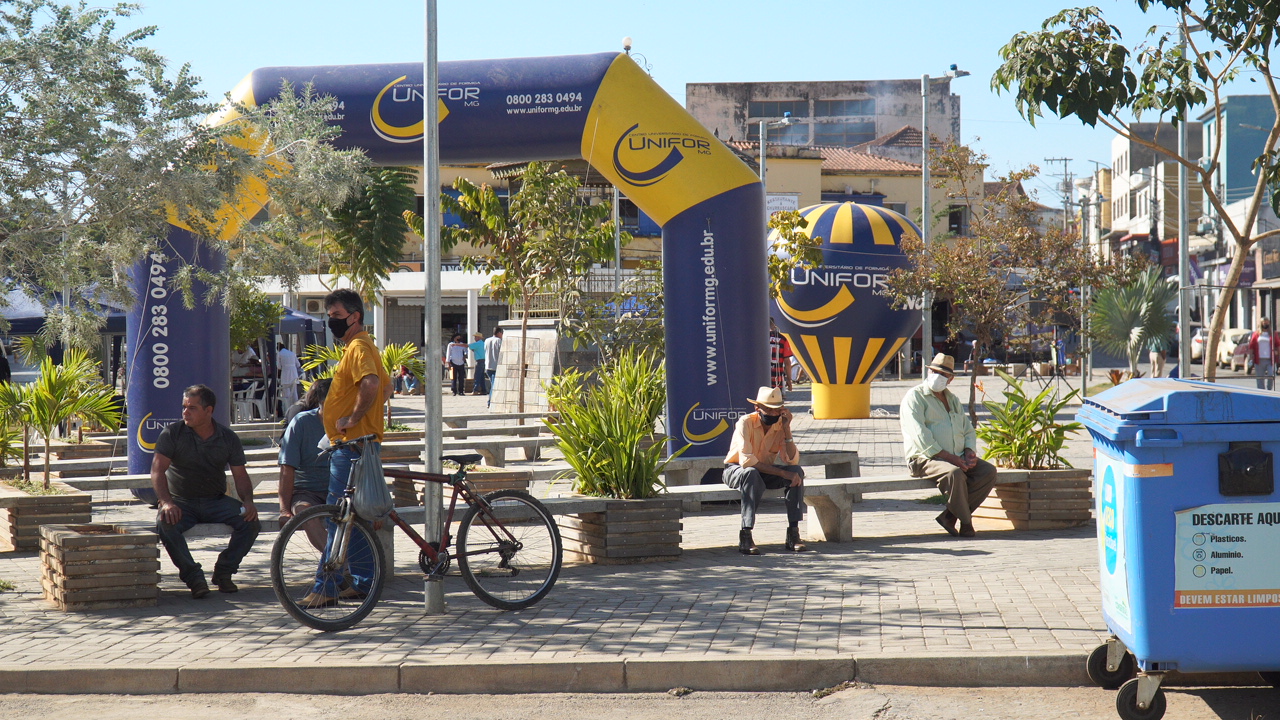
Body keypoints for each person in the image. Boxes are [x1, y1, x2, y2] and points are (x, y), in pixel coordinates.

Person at [310, 288, 392, 607]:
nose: (331, 322)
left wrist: (354, 418)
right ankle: (362, 582)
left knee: (338, 515)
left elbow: (372, 385)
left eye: (336, 316)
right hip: (355, 443)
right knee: (354, 517)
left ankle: (325, 587)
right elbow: (387, 387)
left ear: (354, 317)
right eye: (329, 316)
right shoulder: (362, 346)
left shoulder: (358, 346)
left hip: (352, 446)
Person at [151, 385, 259, 598]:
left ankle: (224, 572)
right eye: (184, 407)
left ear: (208, 411)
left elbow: (240, 475)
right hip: (181, 502)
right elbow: (157, 471)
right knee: (165, 524)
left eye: (192, 408)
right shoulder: (172, 433)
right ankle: (194, 578)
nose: (185, 413)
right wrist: (166, 502)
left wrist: (248, 501)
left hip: (215, 501)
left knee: (251, 522)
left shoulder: (227, 437)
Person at [900, 353, 998, 538]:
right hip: (924, 458)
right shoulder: (915, 397)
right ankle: (966, 523)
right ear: (929, 372)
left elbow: (967, 429)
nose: (938, 376)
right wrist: (950, 458)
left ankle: (950, 516)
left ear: (950, 379)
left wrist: (969, 452)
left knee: (988, 472)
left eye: (943, 374)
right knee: (955, 474)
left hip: (956, 457)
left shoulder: (951, 399)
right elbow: (920, 435)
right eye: (934, 372)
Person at [723, 386, 806, 555]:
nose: (772, 414)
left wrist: (787, 429)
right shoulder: (745, 422)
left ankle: (793, 533)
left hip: (764, 472)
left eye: (776, 410)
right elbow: (747, 461)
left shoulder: (780, 426)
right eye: (767, 409)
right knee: (751, 473)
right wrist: (783, 473)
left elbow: (791, 460)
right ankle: (746, 534)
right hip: (736, 470)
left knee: (796, 471)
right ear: (757, 408)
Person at [278, 378, 331, 551]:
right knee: (304, 511)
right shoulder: (301, 422)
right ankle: (336, 562)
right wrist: (284, 509)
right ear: (323, 402)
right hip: (307, 491)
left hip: (340, 489)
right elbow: (287, 467)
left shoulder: (350, 423)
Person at [1250, 319, 1279, 390]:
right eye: (1264, 323)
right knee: (1260, 377)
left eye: (1267, 323)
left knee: (1271, 374)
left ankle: (1269, 389)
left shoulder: (1272, 333)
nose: (1265, 324)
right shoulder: (1256, 334)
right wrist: (1251, 356)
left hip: (1270, 359)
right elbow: (1252, 345)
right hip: (1259, 359)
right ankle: (1261, 391)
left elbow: (1278, 344)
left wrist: (1277, 352)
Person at [277, 342, 302, 410]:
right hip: (294, 373)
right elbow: (298, 364)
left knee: (286, 392)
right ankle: (296, 408)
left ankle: (287, 409)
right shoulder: (292, 353)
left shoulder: (280, 354)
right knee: (294, 392)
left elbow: (278, 366)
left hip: (285, 373)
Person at [484, 328, 503, 407]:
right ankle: (490, 402)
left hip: (488, 365)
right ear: (499, 333)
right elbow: (501, 352)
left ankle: (492, 401)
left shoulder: (487, 340)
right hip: (496, 366)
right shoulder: (499, 341)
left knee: (493, 384)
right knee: (494, 385)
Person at [768, 318, 786, 393]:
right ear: (774, 325)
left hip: (761, 377)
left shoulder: (759, 337)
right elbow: (787, 361)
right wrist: (789, 379)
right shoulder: (782, 339)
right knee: (776, 401)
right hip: (777, 377)